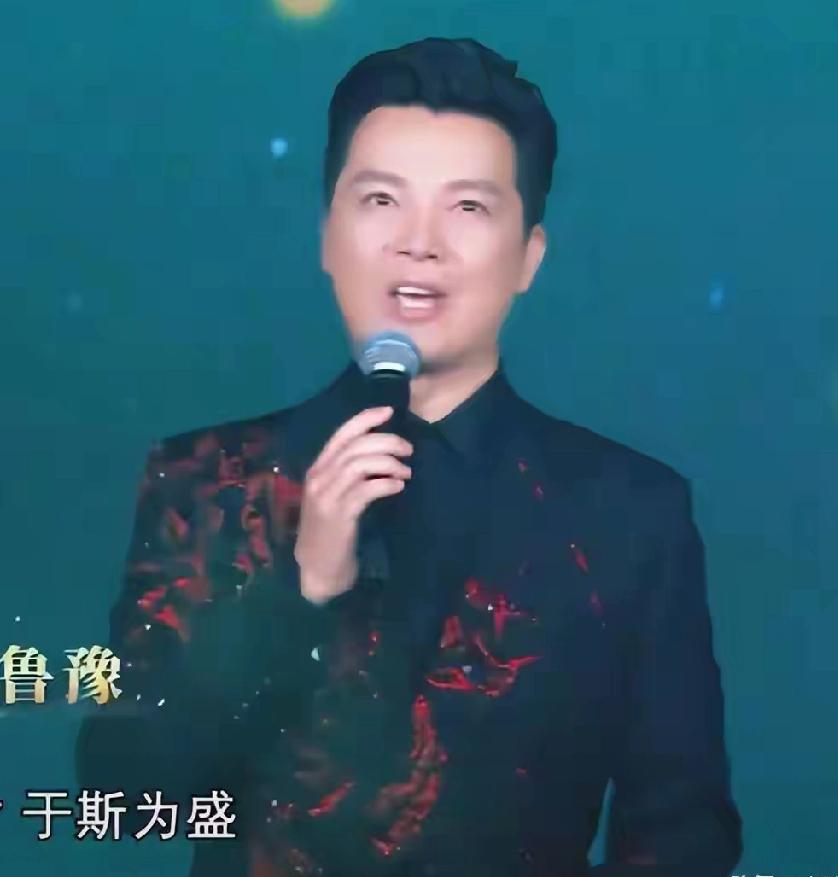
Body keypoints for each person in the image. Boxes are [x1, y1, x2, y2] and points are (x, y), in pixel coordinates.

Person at [76, 37, 743, 877]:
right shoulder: (206, 482)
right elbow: (124, 790)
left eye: (467, 207)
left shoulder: (628, 511)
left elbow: (684, 831)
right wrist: (301, 592)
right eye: (382, 199)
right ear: (328, 234)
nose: (418, 242)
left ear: (529, 256)